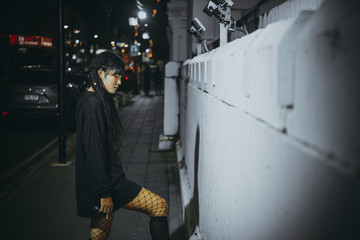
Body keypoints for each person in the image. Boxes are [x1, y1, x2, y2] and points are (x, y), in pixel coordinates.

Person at [75, 51, 170, 240]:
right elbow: (95, 150)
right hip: (108, 185)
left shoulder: (90, 99)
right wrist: (103, 193)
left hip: (102, 182)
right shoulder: (93, 105)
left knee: (99, 232)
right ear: (101, 73)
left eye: (120, 77)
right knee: (159, 206)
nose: (119, 82)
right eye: (115, 76)